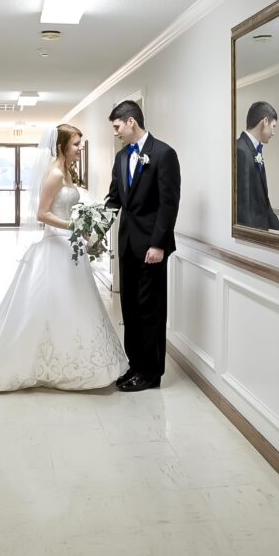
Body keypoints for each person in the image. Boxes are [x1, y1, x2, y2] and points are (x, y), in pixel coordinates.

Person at [0, 124, 128, 392]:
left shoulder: (67, 173)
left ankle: (76, 359)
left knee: (73, 305)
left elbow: (70, 209)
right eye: (75, 145)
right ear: (61, 146)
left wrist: (85, 232)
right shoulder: (53, 174)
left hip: (70, 247)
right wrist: (73, 226)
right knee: (55, 304)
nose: (79, 149)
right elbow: (42, 214)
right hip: (56, 247)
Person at [105, 101, 181, 392]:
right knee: (131, 310)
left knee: (150, 310)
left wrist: (158, 244)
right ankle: (134, 366)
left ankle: (150, 374)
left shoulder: (164, 154)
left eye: (117, 126)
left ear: (131, 122)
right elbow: (114, 199)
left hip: (151, 248)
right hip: (126, 246)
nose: (116, 133)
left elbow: (169, 203)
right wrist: (94, 227)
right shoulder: (122, 157)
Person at [236, 101, 279, 231]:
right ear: (265, 121)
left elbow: (264, 202)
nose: (273, 132)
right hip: (252, 237)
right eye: (274, 126)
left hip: (263, 232)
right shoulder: (240, 150)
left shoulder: (254, 150)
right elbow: (242, 207)